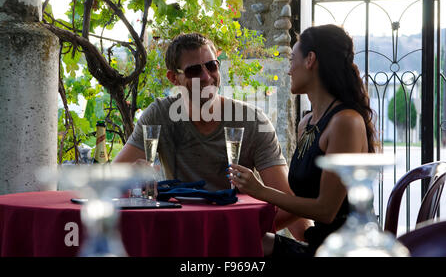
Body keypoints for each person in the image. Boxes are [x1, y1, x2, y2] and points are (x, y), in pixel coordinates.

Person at [113, 32, 311, 239]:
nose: (206, 77)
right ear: (173, 78)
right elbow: (114, 178)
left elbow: (288, 202)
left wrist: (309, 243)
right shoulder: (160, 115)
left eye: (211, 66)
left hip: (236, 237)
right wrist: (132, 177)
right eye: (194, 70)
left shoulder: (252, 120)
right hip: (182, 235)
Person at [229, 24, 378, 257]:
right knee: (235, 242)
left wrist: (260, 191)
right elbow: (304, 199)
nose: (289, 71)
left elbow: (326, 210)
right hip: (319, 244)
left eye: (291, 60)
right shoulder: (306, 123)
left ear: (310, 60)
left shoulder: (345, 122)